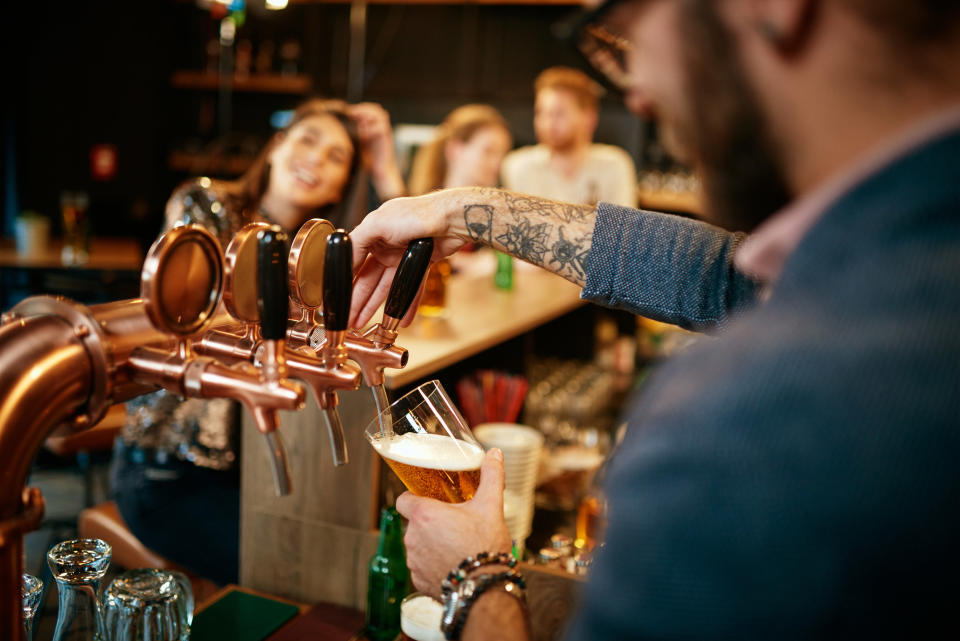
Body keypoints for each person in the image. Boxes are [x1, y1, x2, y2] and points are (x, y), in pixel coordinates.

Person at [347, 1, 960, 639]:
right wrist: (465, 211)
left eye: (627, 28)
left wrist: (475, 579)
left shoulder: (756, 412)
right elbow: (729, 278)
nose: (636, 93)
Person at [111, 98, 405, 585]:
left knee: (336, 548)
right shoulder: (205, 205)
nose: (316, 159)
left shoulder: (316, 251)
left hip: (253, 471)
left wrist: (387, 167)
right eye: (307, 139)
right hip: (168, 472)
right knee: (296, 571)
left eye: (337, 158)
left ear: (343, 183)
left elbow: (415, 271)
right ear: (276, 145)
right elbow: (196, 310)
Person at [500, 66, 637, 208]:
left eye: (559, 114)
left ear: (589, 119)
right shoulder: (518, 166)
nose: (548, 123)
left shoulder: (614, 166)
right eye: (541, 112)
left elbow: (621, 229)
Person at [408, 104, 512, 196]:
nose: (498, 163)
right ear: (454, 149)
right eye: (488, 151)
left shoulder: (504, 213)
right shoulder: (419, 207)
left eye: (503, 154)